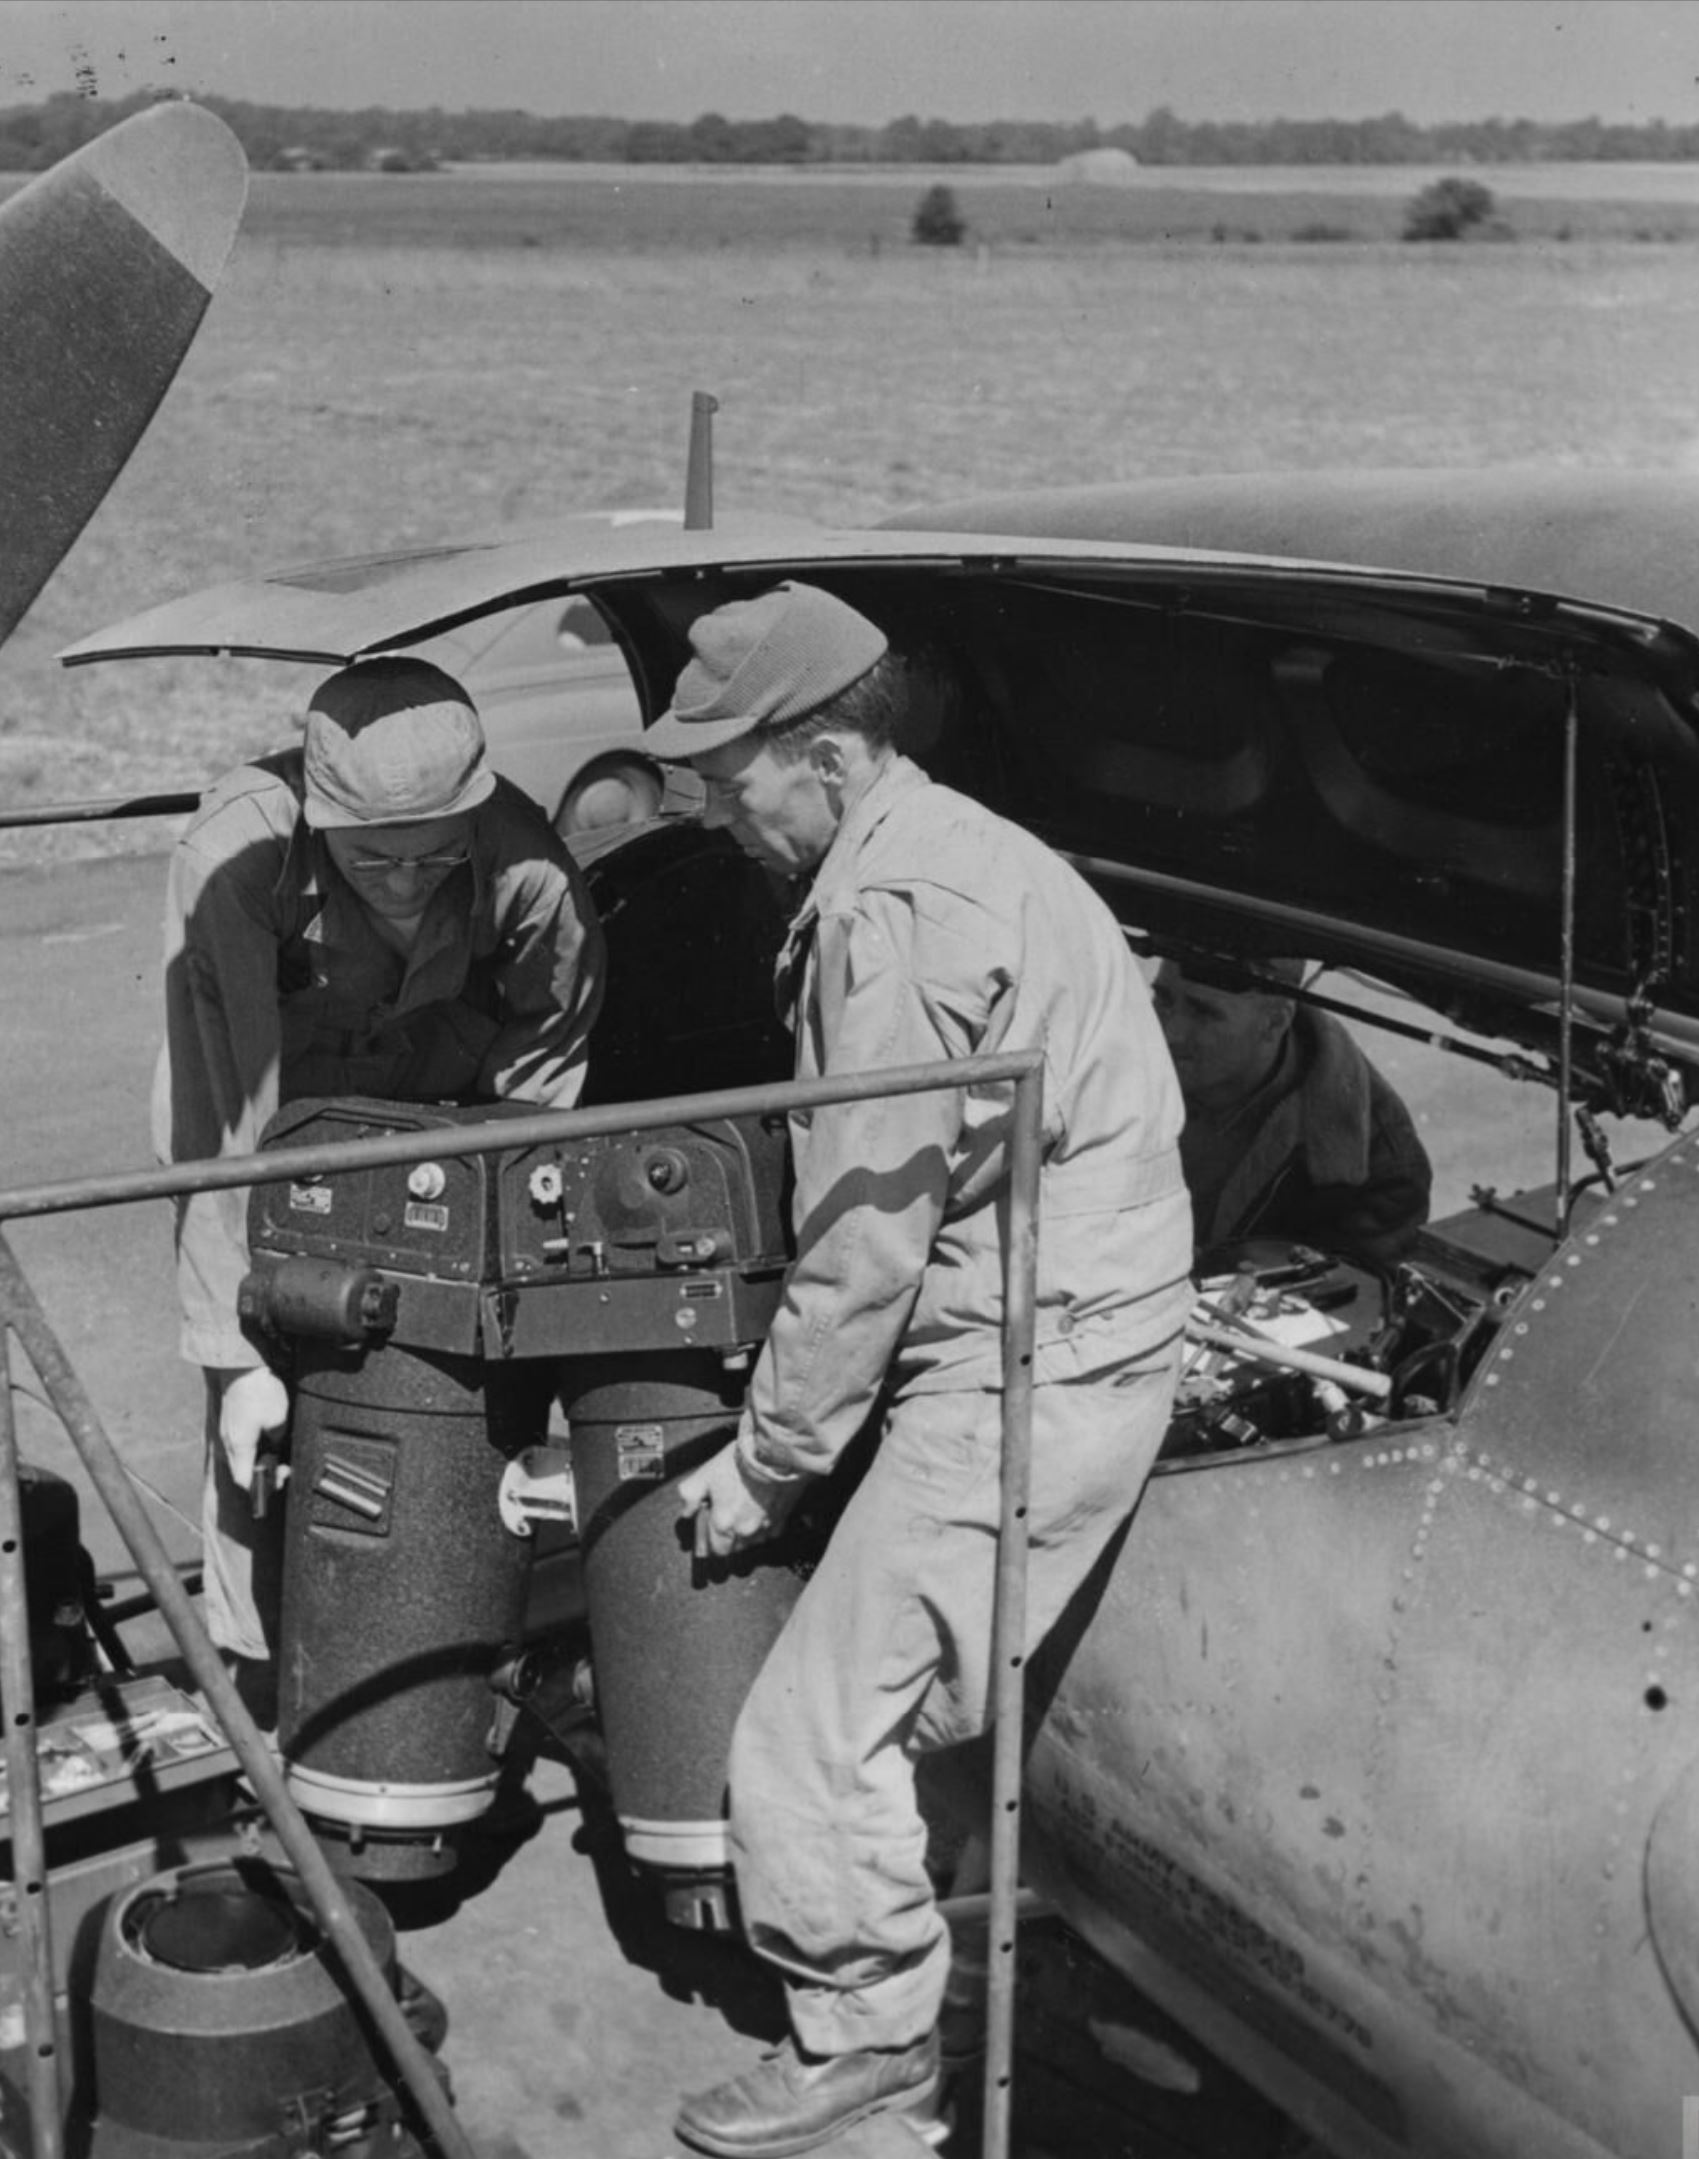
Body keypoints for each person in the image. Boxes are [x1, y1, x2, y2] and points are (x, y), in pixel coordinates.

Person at [646, 583, 1192, 2158]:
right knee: (905, 1701)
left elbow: (865, 1239)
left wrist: (765, 1462)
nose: (708, 802)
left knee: (801, 1739)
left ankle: (870, 2055)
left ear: (822, 752)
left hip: (1031, 1359)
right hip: (1070, 1311)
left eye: (724, 768)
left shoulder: (888, 915)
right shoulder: (952, 846)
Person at [154, 656, 605, 1714]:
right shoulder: (235, 857)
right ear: (317, 819)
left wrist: (507, 1210)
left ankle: (444, 1664)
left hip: (440, 1128)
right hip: (276, 1148)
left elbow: (550, 1048)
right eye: (372, 861)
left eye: (434, 855)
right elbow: (220, 1120)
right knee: (261, 1427)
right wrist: (234, 1359)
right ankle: (262, 1696)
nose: (405, 882)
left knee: (443, 1395)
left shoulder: (525, 865)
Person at [1149, 956, 1431, 1270]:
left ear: (1274, 1022)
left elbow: (1355, 1301)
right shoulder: (1119, 1052)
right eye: (1163, 999)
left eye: (1204, 1013)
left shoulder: (1380, 1166)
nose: (1170, 1032)